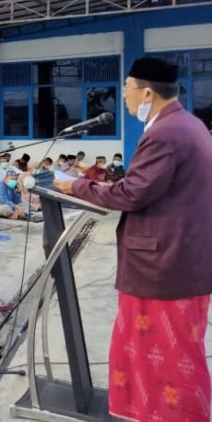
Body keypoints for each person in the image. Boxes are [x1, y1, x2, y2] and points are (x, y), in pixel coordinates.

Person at [54, 57, 212, 422]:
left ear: (146, 91)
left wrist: (77, 185)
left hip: (163, 268)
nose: (121, 99)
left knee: (168, 360)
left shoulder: (164, 134)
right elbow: (152, 189)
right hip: (184, 260)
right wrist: (111, 187)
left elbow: (133, 195)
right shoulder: (193, 126)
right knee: (174, 355)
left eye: (125, 91)